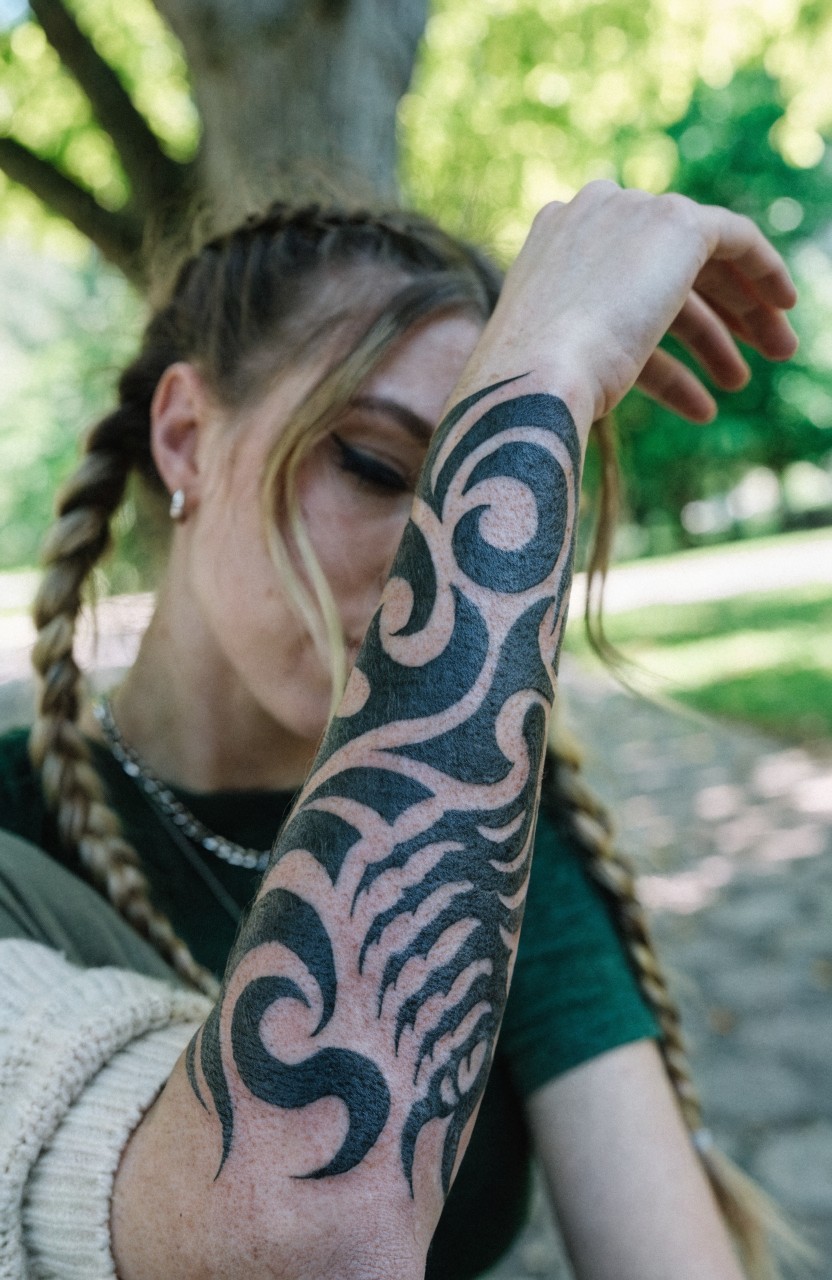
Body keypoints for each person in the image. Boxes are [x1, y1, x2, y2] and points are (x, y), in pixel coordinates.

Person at [0, 183, 798, 1280]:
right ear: (185, 437)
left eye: (496, 496)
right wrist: (543, 363)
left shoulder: (492, 837)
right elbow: (299, 1225)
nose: (436, 557)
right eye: (375, 465)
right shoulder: (13, 838)